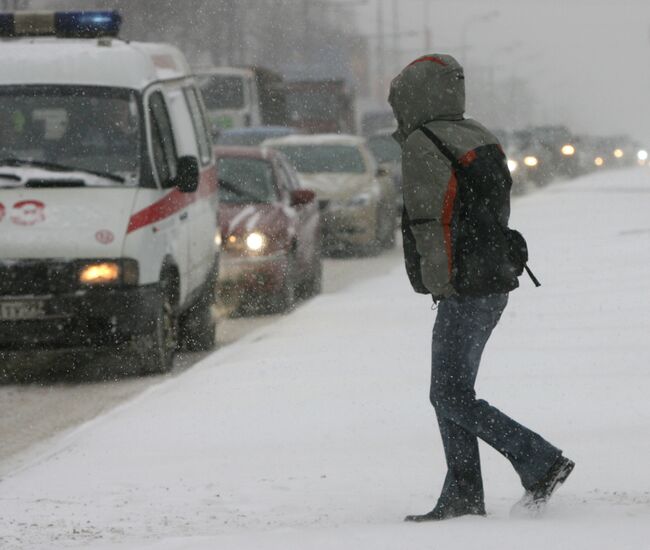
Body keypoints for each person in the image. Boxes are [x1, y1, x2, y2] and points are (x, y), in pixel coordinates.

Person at [388, 53, 574, 522]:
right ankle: (463, 493)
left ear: (412, 97)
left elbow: (432, 219)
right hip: (495, 276)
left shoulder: (422, 141)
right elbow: (492, 208)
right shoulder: (477, 133)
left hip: (464, 282)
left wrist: (440, 280)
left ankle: (537, 459)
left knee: (448, 394)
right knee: (453, 389)